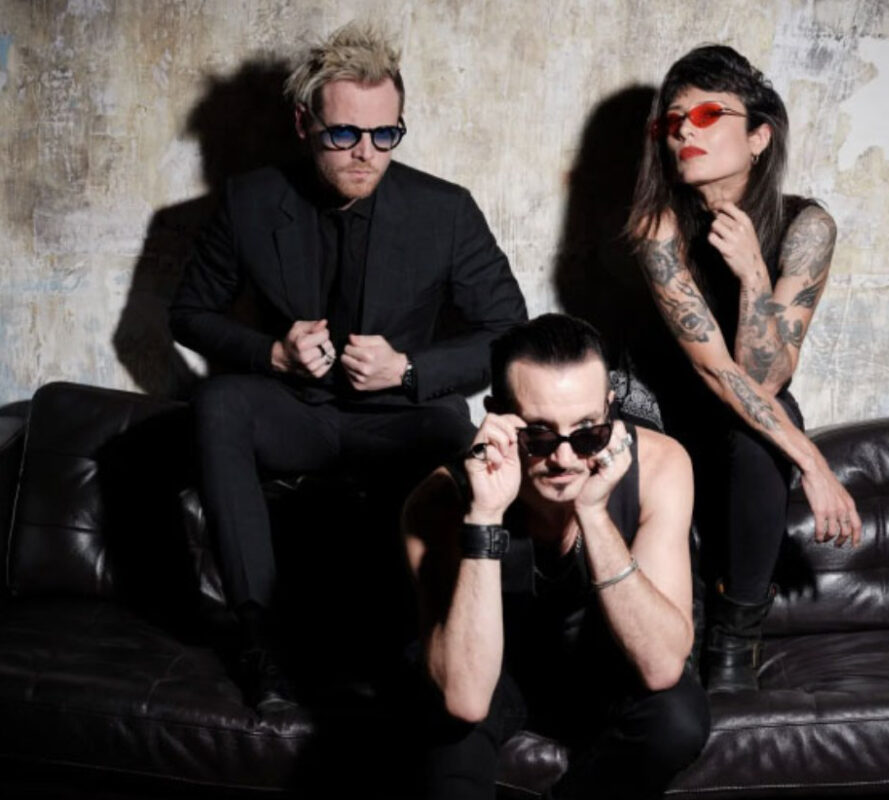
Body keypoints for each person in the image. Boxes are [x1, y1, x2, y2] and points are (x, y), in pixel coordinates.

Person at [169, 21, 527, 710]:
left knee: (453, 431)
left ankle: (423, 643)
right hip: (297, 412)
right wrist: (272, 353)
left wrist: (410, 369)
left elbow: (511, 332)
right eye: (344, 134)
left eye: (385, 134)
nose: (366, 153)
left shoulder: (445, 211)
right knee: (219, 404)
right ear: (304, 124)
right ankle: (260, 638)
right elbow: (188, 313)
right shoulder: (250, 201)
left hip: (402, 416)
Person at [625, 45, 862, 692]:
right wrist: (813, 462)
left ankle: (736, 635)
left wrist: (755, 271)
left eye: (708, 114)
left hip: (744, 416)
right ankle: (682, 619)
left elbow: (766, 378)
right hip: (660, 411)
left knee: (768, 419)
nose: (686, 132)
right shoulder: (658, 226)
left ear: (759, 137)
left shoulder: (807, 226)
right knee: (771, 424)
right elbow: (712, 373)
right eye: (673, 121)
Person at [403, 314, 710, 800]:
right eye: (540, 436)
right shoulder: (439, 500)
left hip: (606, 664)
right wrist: (485, 514)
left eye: (587, 432)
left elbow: (661, 666)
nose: (564, 459)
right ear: (498, 417)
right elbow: (465, 697)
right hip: (496, 669)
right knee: (443, 725)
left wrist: (593, 512)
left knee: (679, 718)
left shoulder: (660, 466)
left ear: (610, 410)